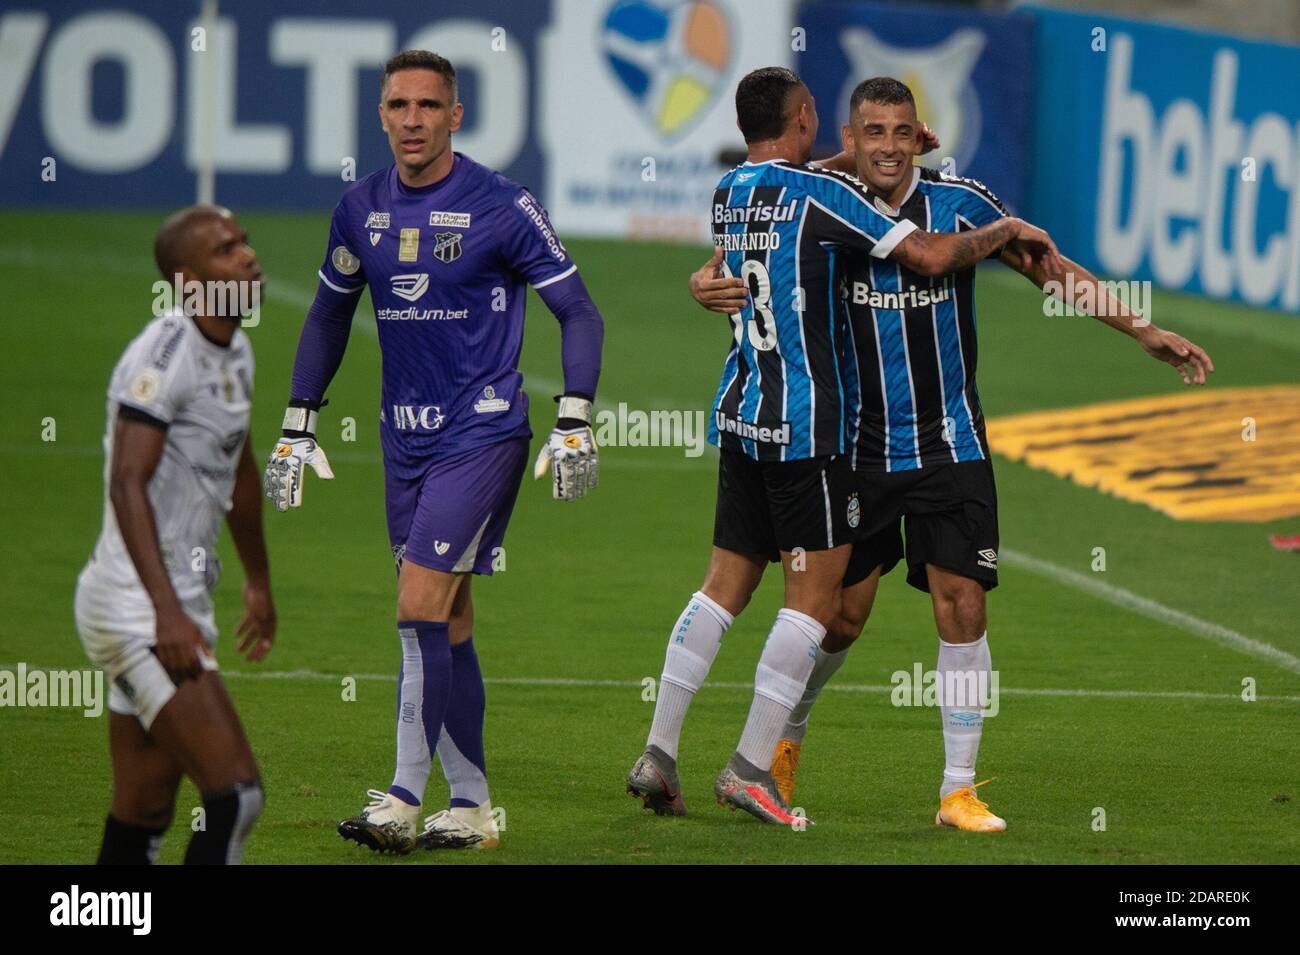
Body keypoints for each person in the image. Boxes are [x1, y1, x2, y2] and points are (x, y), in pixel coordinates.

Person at [690, 76, 1214, 832]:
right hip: (856, 447)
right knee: (838, 618)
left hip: (949, 442)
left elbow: (1046, 263)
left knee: (963, 603)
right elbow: (747, 261)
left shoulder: (960, 201)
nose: (889, 148)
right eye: (873, 133)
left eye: (902, 132)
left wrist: (1139, 329)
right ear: (851, 135)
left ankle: (957, 790)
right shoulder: (826, 201)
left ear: (920, 136)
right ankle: (784, 740)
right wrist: (704, 279)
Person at [627, 67, 1062, 827]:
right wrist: (1005, 231)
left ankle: (659, 752)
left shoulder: (731, 192)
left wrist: (706, 281)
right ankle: (751, 767)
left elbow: (786, 205)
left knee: (720, 588)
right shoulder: (826, 195)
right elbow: (928, 256)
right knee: (816, 602)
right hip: (814, 431)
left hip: (742, 418)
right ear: (806, 119)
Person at [264, 50, 604, 854]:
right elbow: (326, 317)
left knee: (417, 605)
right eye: (397, 105)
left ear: (456, 115)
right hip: (403, 439)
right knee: (446, 621)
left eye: (428, 105)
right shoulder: (360, 209)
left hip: (484, 430)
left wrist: (576, 415)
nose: (412, 119)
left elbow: (579, 310)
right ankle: (474, 803)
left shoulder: (503, 204)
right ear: (380, 115)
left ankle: (403, 798)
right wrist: (296, 420)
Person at [75, 205, 273, 864]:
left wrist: (258, 581)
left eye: (243, 240)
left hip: (172, 599)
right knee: (236, 793)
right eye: (225, 250)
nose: (246, 254)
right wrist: (164, 611)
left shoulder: (236, 347)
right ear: (189, 281)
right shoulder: (165, 356)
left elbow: (240, 473)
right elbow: (127, 482)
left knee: (144, 808)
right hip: (137, 605)